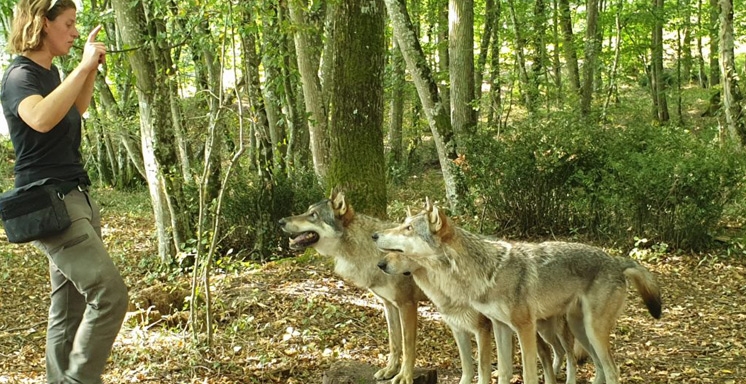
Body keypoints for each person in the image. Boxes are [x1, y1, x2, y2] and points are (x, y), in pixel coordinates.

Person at [1, 0, 129, 383]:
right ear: (43, 23)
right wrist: (84, 65)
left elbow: (77, 106)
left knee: (69, 309)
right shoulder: (17, 77)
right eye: (69, 23)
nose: (75, 32)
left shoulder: (52, 72)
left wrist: (87, 70)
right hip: (50, 201)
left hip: (77, 197)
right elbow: (40, 119)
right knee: (110, 296)